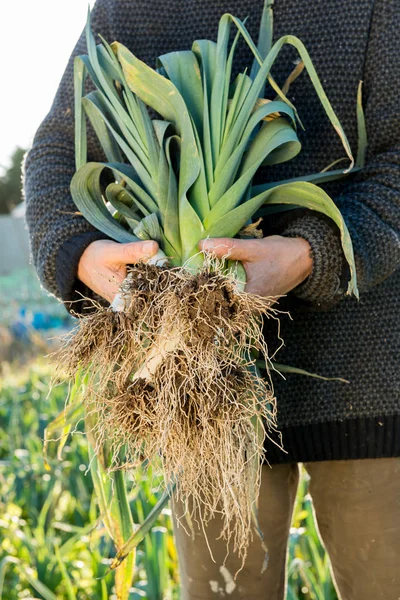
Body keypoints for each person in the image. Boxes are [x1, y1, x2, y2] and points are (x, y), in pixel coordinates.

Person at [24, 0, 400, 598]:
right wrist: (79, 255)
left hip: (372, 385)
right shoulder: (126, 10)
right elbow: (53, 160)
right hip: (199, 400)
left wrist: (311, 254)